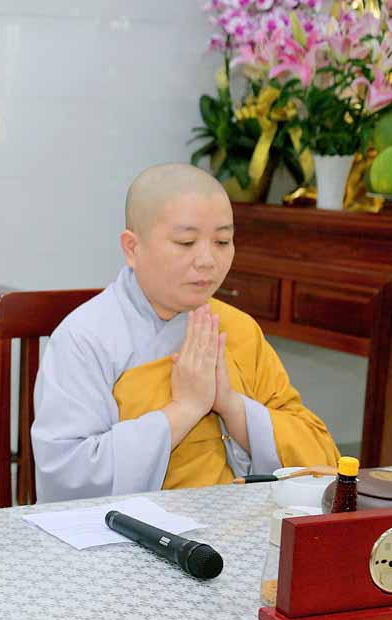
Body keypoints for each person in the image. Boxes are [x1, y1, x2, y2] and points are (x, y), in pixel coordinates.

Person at [30, 163, 339, 502]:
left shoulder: (238, 329)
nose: (207, 260)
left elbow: (319, 459)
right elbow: (69, 476)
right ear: (132, 248)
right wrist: (185, 409)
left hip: (238, 520)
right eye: (186, 242)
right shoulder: (85, 339)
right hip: (132, 528)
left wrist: (232, 406)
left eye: (222, 241)